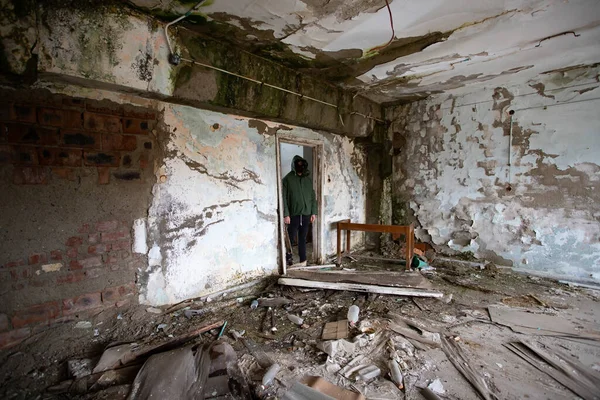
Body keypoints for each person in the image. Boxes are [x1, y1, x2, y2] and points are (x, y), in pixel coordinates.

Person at [283, 155, 317, 267]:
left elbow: (312, 197)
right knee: (290, 238)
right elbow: (283, 198)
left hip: (306, 214)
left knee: (303, 238)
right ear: (294, 165)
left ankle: (303, 261)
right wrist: (286, 214)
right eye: (298, 164)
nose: (300, 167)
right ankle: (288, 260)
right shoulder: (287, 179)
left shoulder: (308, 180)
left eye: (302, 165)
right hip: (293, 215)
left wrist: (313, 212)